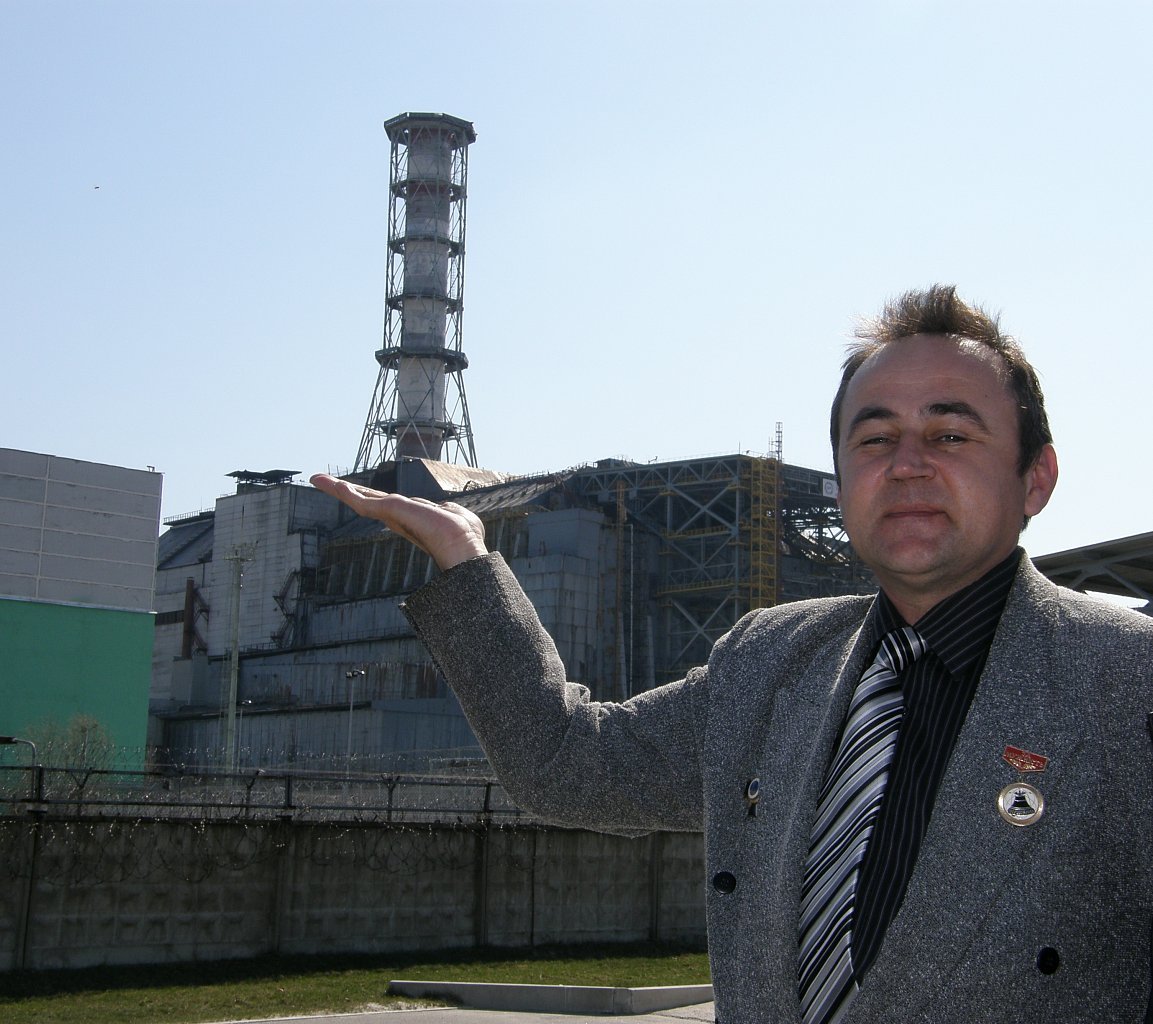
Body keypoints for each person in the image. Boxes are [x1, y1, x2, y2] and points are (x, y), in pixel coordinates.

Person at [312, 285, 1153, 1024]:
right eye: (873, 439)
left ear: (1035, 478)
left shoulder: (1126, 682)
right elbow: (564, 764)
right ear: (841, 478)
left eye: (950, 434)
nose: (905, 466)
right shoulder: (772, 662)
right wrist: (465, 559)